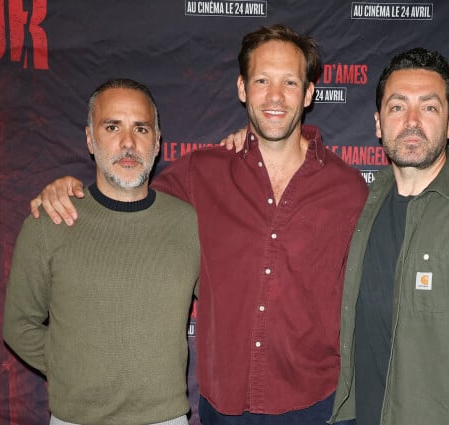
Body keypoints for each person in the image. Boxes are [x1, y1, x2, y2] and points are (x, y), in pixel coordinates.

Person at [29, 25, 368, 424]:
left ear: (309, 93)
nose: (275, 97)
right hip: (224, 405)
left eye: (289, 82)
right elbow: (124, 200)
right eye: (262, 80)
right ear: (242, 88)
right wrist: (67, 190)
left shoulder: (348, 188)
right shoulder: (200, 173)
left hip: (318, 402)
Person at [328, 48, 449, 425]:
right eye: (398, 106)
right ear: (378, 122)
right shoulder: (362, 202)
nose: (412, 121)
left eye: (429, 107)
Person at [4, 78, 200, 425]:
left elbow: (231, 311)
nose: (128, 142)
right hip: (74, 419)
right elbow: (18, 326)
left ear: (157, 142)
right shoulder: (49, 221)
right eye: (112, 127)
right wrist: (71, 371)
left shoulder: (188, 223)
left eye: (141, 128)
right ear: (90, 139)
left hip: (166, 419)